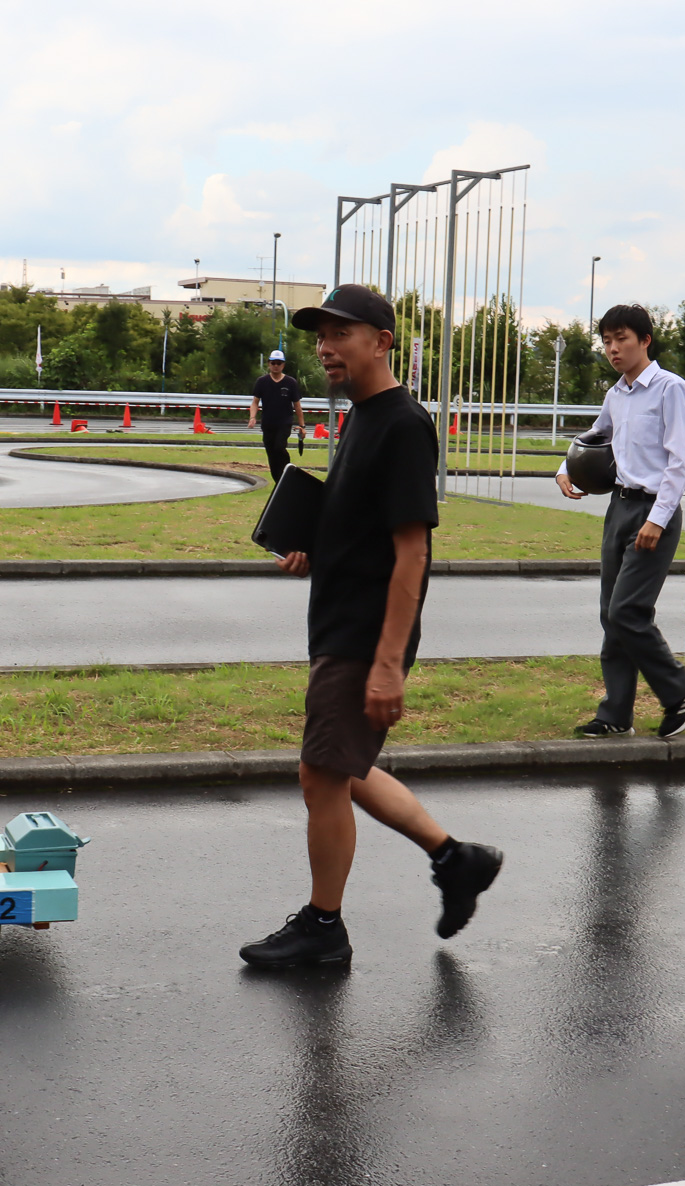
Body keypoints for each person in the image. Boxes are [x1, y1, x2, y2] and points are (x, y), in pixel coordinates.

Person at [239, 284, 503, 968]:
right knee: (343, 766)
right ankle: (457, 859)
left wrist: (389, 661)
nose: (325, 347)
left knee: (319, 774)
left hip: (365, 632)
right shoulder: (358, 418)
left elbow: (413, 550)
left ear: (381, 341)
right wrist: (314, 542)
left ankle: (324, 928)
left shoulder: (403, 424)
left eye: (340, 334)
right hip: (338, 620)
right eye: (320, 336)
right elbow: (363, 524)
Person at [556, 304, 685, 740]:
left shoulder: (669, 389)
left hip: (652, 512)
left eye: (621, 338)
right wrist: (564, 470)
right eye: (605, 340)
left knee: (628, 611)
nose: (612, 348)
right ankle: (616, 713)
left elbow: (682, 461)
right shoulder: (616, 394)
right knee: (611, 614)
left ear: (645, 340)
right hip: (619, 508)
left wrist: (658, 519)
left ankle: (680, 689)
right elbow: (593, 437)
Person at [248, 349, 303, 481]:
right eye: (273, 363)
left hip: (284, 422)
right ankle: (279, 481)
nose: (276, 366)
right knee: (271, 453)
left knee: (279, 447)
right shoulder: (262, 381)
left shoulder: (290, 382)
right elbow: (255, 402)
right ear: (269, 364)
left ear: (283, 365)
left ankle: (288, 469)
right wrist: (252, 417)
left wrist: (302, 425)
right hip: (267, 422)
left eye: (279, 363)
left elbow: (297, 405)